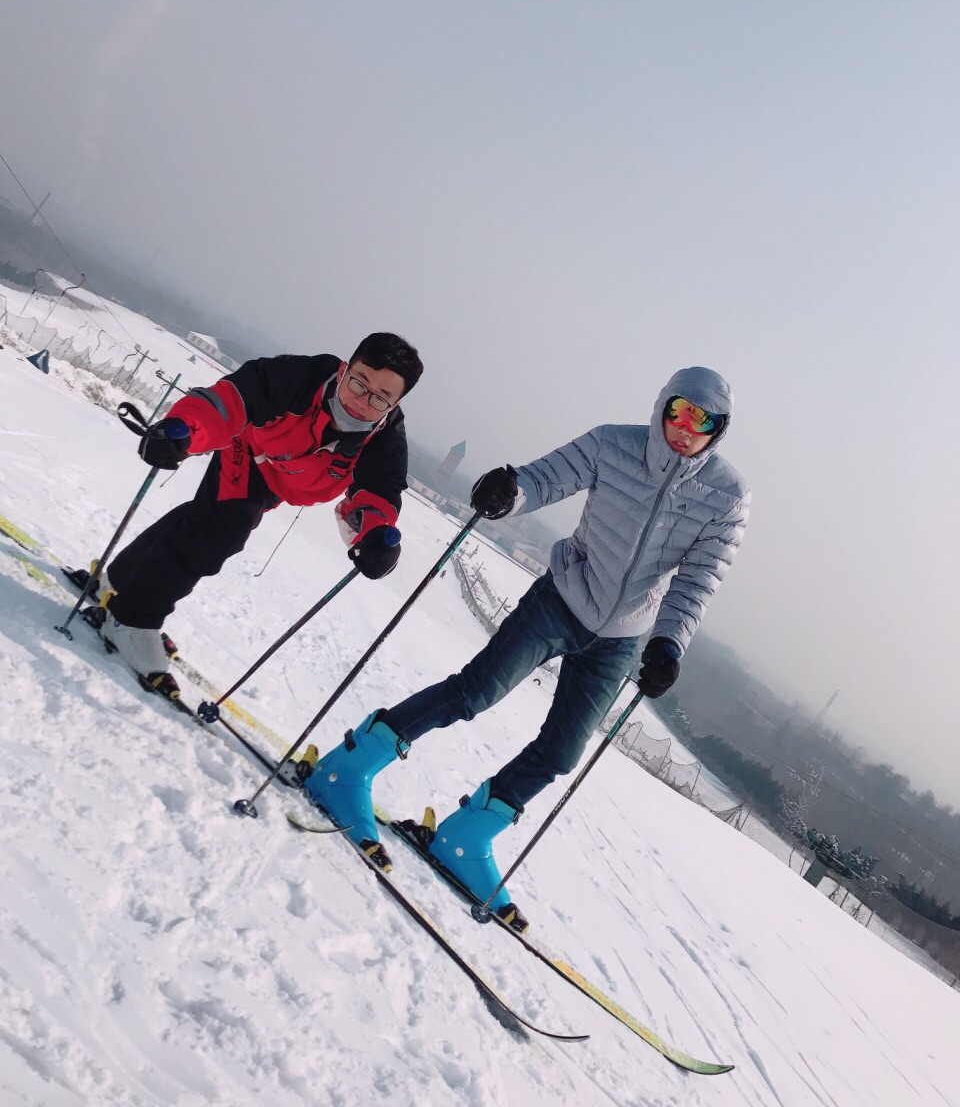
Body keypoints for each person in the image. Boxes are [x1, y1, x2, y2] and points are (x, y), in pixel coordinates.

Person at [303, 366, 750, 927]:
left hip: (621, 637)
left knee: (562, 753)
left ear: (719, 429)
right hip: (563, 597)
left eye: (703, 420)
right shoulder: (614, 443)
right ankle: (349, 768)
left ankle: (466, 837)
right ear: (662, 406)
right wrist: (510, 490)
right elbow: (547, 478)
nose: (686, 427)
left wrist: (668, 644)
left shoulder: (727, 496)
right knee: (476, 692)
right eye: (679, 411)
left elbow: (699, 579)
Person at [97, 332, 423, 691]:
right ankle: (131, 619)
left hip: (283, 481)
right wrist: (185, 432)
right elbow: (231, 402)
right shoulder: (301, 378)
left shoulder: (385, 437)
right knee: (221, 530)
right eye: (360, 383)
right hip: (248, 448)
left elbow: (379, 490)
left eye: (381, 399)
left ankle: (118, 580)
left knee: (205, 519)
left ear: (394, 405)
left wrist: (375, 537)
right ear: (345, 369)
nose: (363, 402)